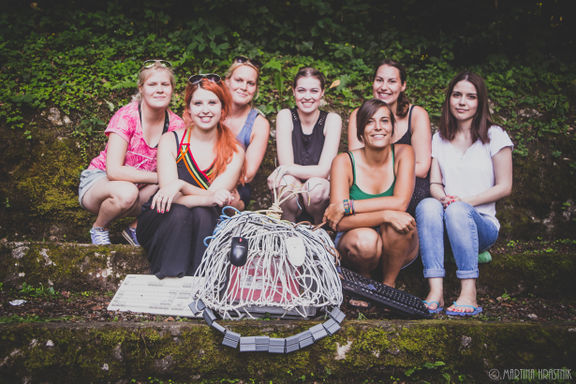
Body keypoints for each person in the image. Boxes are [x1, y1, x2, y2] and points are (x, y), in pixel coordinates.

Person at [416, 72, 513, 316]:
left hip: (481, 225)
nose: (462, 102)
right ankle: (435, 291)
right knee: (428, 204)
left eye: (470, 97)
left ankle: (468, 292)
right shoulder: (439, 138)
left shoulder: (495, 136)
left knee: (458, 210)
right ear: (449, 99)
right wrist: (443, 198)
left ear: (480, 102)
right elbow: (435, 183)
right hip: (448, 220)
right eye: (457, 95)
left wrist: (463, 203)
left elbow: (504, 186)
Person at [136, 74, 244, 278]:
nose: (205, 109)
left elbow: (216, 199)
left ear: (223, 109)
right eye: (198, 103)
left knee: (203, 213)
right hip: (161, 217)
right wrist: (205, 196)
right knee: (180, 212)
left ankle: (198, 283)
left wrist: (181, 185)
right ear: (188, 110)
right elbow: (170, 197)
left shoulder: (234, 150)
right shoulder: (171, 140)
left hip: (206, 220)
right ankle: (169, 278)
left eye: (212, 102)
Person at [78, 60, 185, 246]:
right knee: (127, 192)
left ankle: (135, 228)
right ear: (141, 88)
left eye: (165, 84)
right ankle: (99, 228)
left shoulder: (177, 125)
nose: (159, 89)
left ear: (172, 89)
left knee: (175, 190)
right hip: (101, 182)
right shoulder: (126, 116)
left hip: (142, 189)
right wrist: (160, 177)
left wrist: (166, 182)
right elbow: (114, 171)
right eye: (152, 84)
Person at [324, 98, 418, 290]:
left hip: (397, 247)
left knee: (399, 224)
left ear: (392, 128)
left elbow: (400, 203)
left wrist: (347, 206)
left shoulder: (404, 153)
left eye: (384, 121)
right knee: (368, 239)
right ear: (360, 130)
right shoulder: (344, 162)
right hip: (356, 244)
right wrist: (384, 214)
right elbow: (338, 222)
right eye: (369, 122)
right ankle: (363, 283)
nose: (378, 127)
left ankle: (388, 286)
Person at [348, 59, 431, 215]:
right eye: (379, 80)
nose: (384, 87)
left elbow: (422, 167)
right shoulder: (358, 115)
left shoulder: (416, 115)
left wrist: (380, 169)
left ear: (403, 85)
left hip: (409, 185)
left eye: (392, 81)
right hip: (370, 183)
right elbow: (354, 164)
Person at [267, 67, 342, 224]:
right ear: (294, 91)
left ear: (322, 93)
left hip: (318, 195)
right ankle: (287, 231)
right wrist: (287, 170)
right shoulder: (286, 116)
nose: (307, 97)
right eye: (301, 90)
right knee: (284, 183)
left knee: (315, 186)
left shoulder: (332, 120)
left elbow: (324, 170)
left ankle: (319, 232)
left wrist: (286, 169)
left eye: (314, 91)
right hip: (292, 191)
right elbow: (285, 164)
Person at [223, 56, 270, 210]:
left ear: (255, 88)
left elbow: (247, 175)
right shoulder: (210, 110)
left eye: (250, 83)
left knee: (227, 200)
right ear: (227, 81)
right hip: (200, 176)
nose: (244, 87)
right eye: (239, 80)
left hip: (236, 186)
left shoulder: (258, 123)